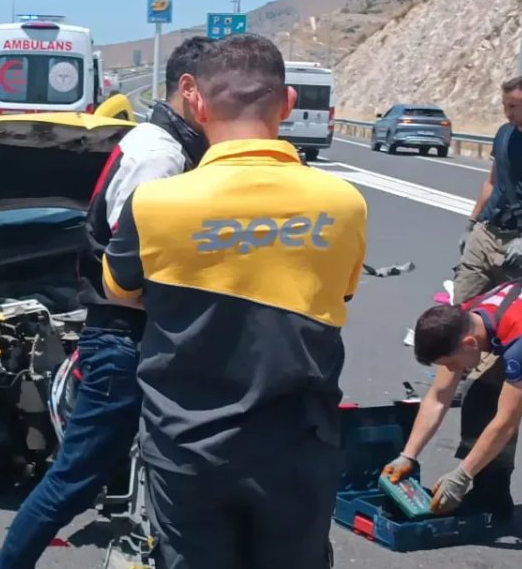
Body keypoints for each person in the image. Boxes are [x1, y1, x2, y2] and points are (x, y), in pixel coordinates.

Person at [102, 33, 368, 569]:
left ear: (195, 99)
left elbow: (119, 289)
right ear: (288, 103)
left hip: (186, 447)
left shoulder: (154, 203)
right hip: (298, 444)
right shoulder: (343, 203)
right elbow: (340, 290)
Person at [0, 36, 215, 569]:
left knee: (123, 467)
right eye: (221, 92)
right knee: (74, 477)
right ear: (189, 90)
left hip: (134, 337)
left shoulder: (167, 145)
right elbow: (128, 261)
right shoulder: (158, 156)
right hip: (124, 337)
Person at [384, 278, 522, 522]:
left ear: (469, 343)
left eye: (452, 363)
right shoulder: (464, 318)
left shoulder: (521, 342)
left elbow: (506, 422)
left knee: (507, 403)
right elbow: (440, 396)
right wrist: (407, 456)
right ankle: (491, 496)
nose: (453, 370)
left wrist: (463, 474)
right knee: (482, 397)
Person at [455, 75, 522, 305]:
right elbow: (492, 181)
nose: (507, 112)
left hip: (520, 241)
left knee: (509, 318)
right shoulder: (504, 133)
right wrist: (471, 224)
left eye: (513, 106)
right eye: (504, 105)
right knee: (460, 309)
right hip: (487, 233)